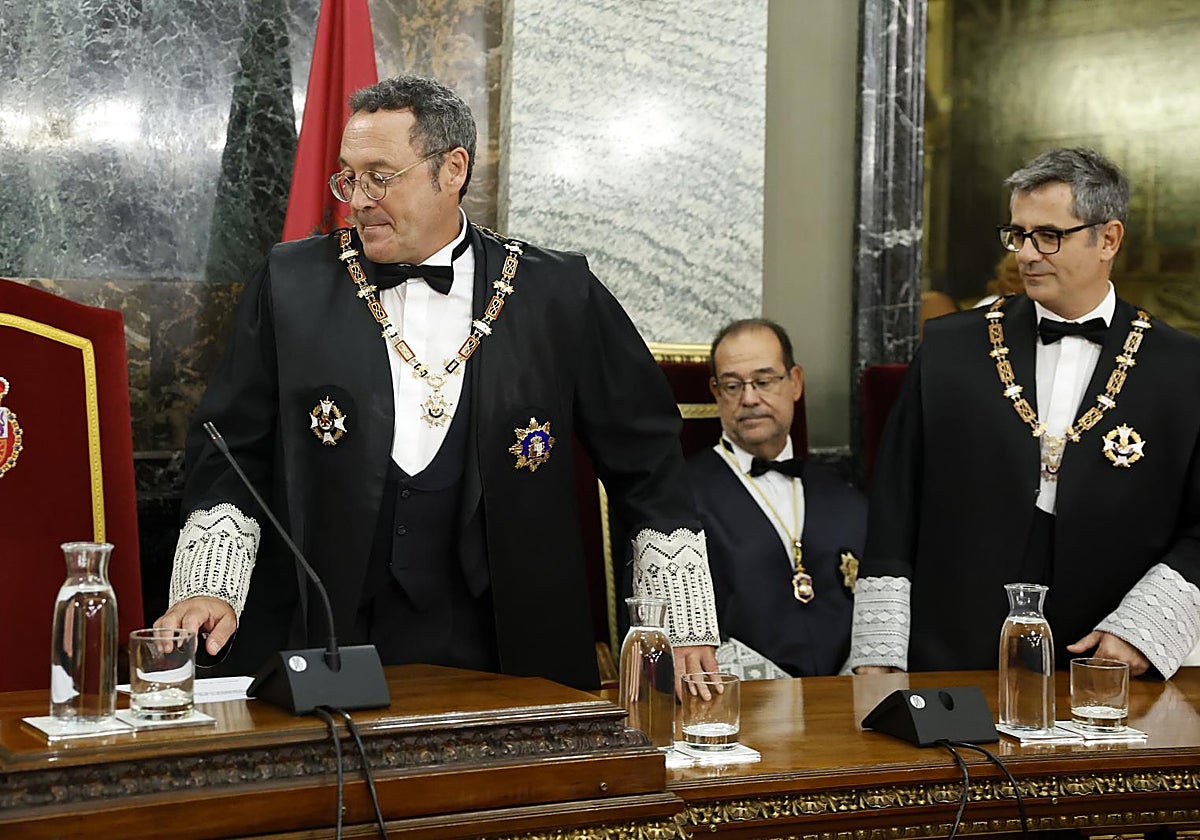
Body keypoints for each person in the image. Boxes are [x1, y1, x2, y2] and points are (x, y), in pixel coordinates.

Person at [156, 75, 719, 691]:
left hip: (510, 648)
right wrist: (209, 588)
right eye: (348, 177)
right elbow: (231, 447)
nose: (358, 198)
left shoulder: (558, 293)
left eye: (380, 175)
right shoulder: (289, 284)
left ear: (452, 169)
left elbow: (649, 460)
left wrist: (681, 620)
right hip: (329, 640)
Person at [851, 147, 1200, 679]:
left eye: (1049, 235)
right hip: (954, 646)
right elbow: (895, 502)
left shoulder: (1182, 367)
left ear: (1108, 239)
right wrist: (879, 654)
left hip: (1108, 652)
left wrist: (1142, 631)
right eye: (1018, 234)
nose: (1027, 254)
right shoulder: (949, 347)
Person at [687, 319, 866, 676]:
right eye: (733, 385)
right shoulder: (681, 497)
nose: (750, 398)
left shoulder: (847, 498)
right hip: (743, 706)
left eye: (764, 381)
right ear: (716, 391)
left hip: (849, 708)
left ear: (795, 382)